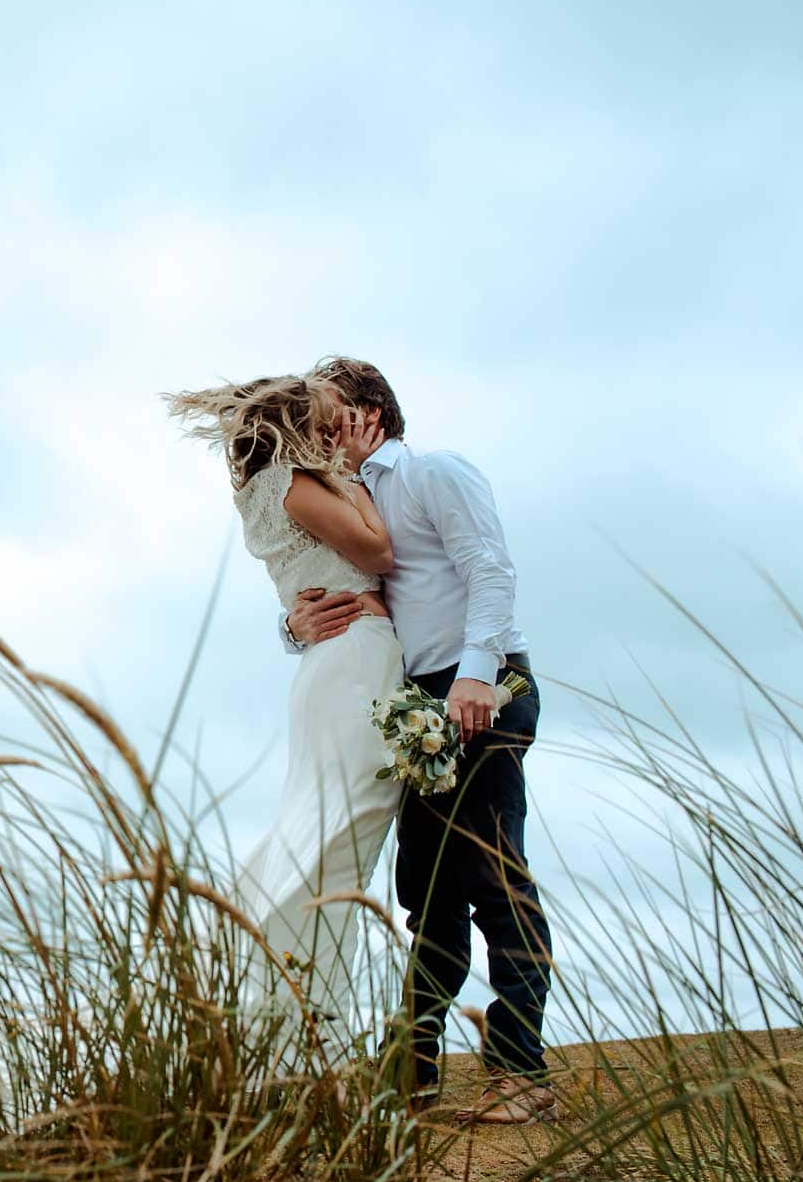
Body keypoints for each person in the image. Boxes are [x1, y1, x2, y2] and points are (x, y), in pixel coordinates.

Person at [286, 357, 554, 1125]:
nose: (319, 429)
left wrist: (476, 673)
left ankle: (520, 1072)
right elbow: (335, 602)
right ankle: (416, 1070)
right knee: (427, 889)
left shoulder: (434, 472)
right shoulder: (348, 510)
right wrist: (292, 626)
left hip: (487, 688)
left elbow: (490, 569)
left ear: (369, 410)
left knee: (498, 876)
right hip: (416, 706)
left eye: (329, 412)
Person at [165, 373, 403, 1064]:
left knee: (332, 839)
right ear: (300, 425)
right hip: (351, 668)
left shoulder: (290, 482)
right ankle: (288, 1022)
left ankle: (296, 1020)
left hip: (340, 666)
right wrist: (354, 471)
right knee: (334, 840)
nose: (338, 434)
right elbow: (377, 554)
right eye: (329, 422)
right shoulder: (296, 483)